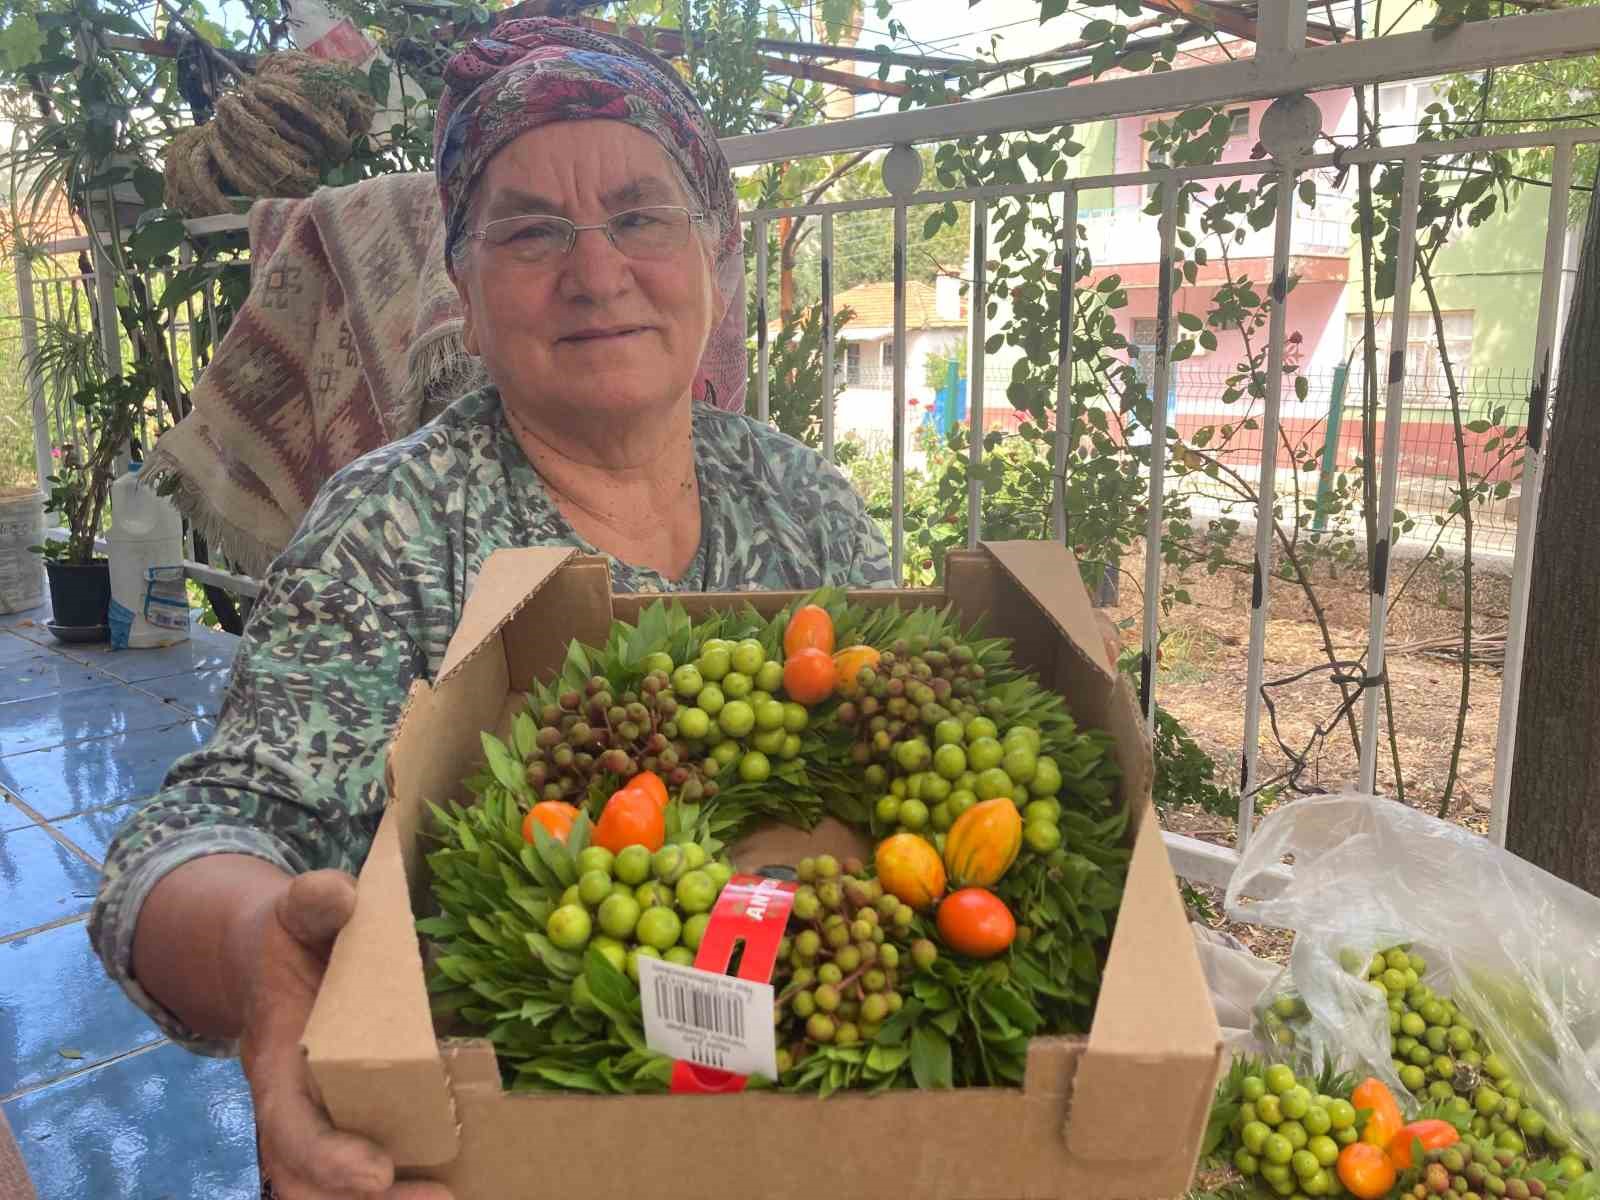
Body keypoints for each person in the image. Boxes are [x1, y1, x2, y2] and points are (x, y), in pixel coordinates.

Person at [88, 21, 893, 1200]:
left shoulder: (801, 501)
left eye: (639, 216)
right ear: (461, 286)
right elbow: (193, 842)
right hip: (488, 1149)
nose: (596, 270)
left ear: (715, 257)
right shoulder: (402, 525)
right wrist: (262, 952)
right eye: (528, 232)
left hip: (788, 1123)